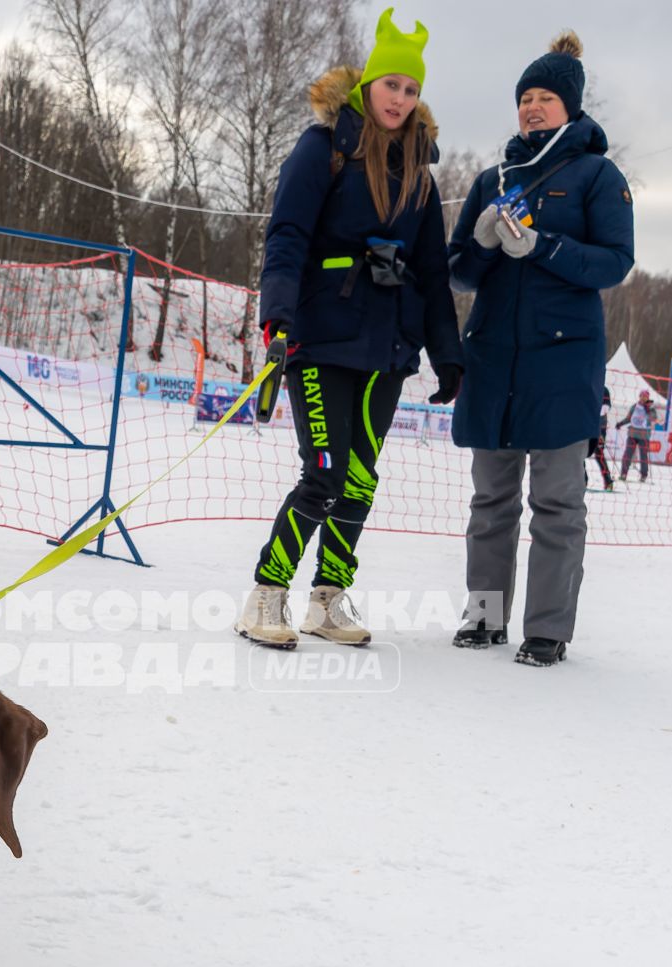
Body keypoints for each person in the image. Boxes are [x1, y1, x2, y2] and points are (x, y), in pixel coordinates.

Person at [234, 8, 464, 649]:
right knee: (325, 475)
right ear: (368, 85)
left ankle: (328, 599)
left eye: (411, 88)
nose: (400, 98)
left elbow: (434, 274)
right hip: (322, 339)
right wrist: (277, 317)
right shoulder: (324, 148)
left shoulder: (420, 173)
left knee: (360, 480)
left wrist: (448, 356)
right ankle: (267, 594)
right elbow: (287, 236)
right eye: (391, 83)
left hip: (389, 349)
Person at [447, 29, 633, 667]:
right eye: (525, 96)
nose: (531, 106)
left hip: (562, 364)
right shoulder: (492, 178)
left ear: (572, 107)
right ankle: (484, 619)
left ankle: (547, 631)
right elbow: (460, 274)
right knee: (490, 501)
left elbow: (615, 263)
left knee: (556, 504)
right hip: (494, 361)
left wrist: (544, 247)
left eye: (545, 97)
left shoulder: (597, 176)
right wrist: (480, 245)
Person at [619, 389, 656, 481]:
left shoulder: (651, 408)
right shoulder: (634, 406)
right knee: (628, 454)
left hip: (644, 435)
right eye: (642, 396)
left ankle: (644, 475)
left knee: (643, 456)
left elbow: (653, 419)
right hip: (632, 434)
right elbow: (629, 418)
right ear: (639, 397)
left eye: (645, 396)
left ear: (648, 397)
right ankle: (624, 473)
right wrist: (620, 423)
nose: (643, 398)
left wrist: (648, 410)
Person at [590, 387, 615, 490]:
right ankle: (583, 481)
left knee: (599, 454)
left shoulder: (604, 389)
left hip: (600, 427)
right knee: (579, 454)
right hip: (586, 426)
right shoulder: (587, 386)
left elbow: (606, 408)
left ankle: (608, 481)